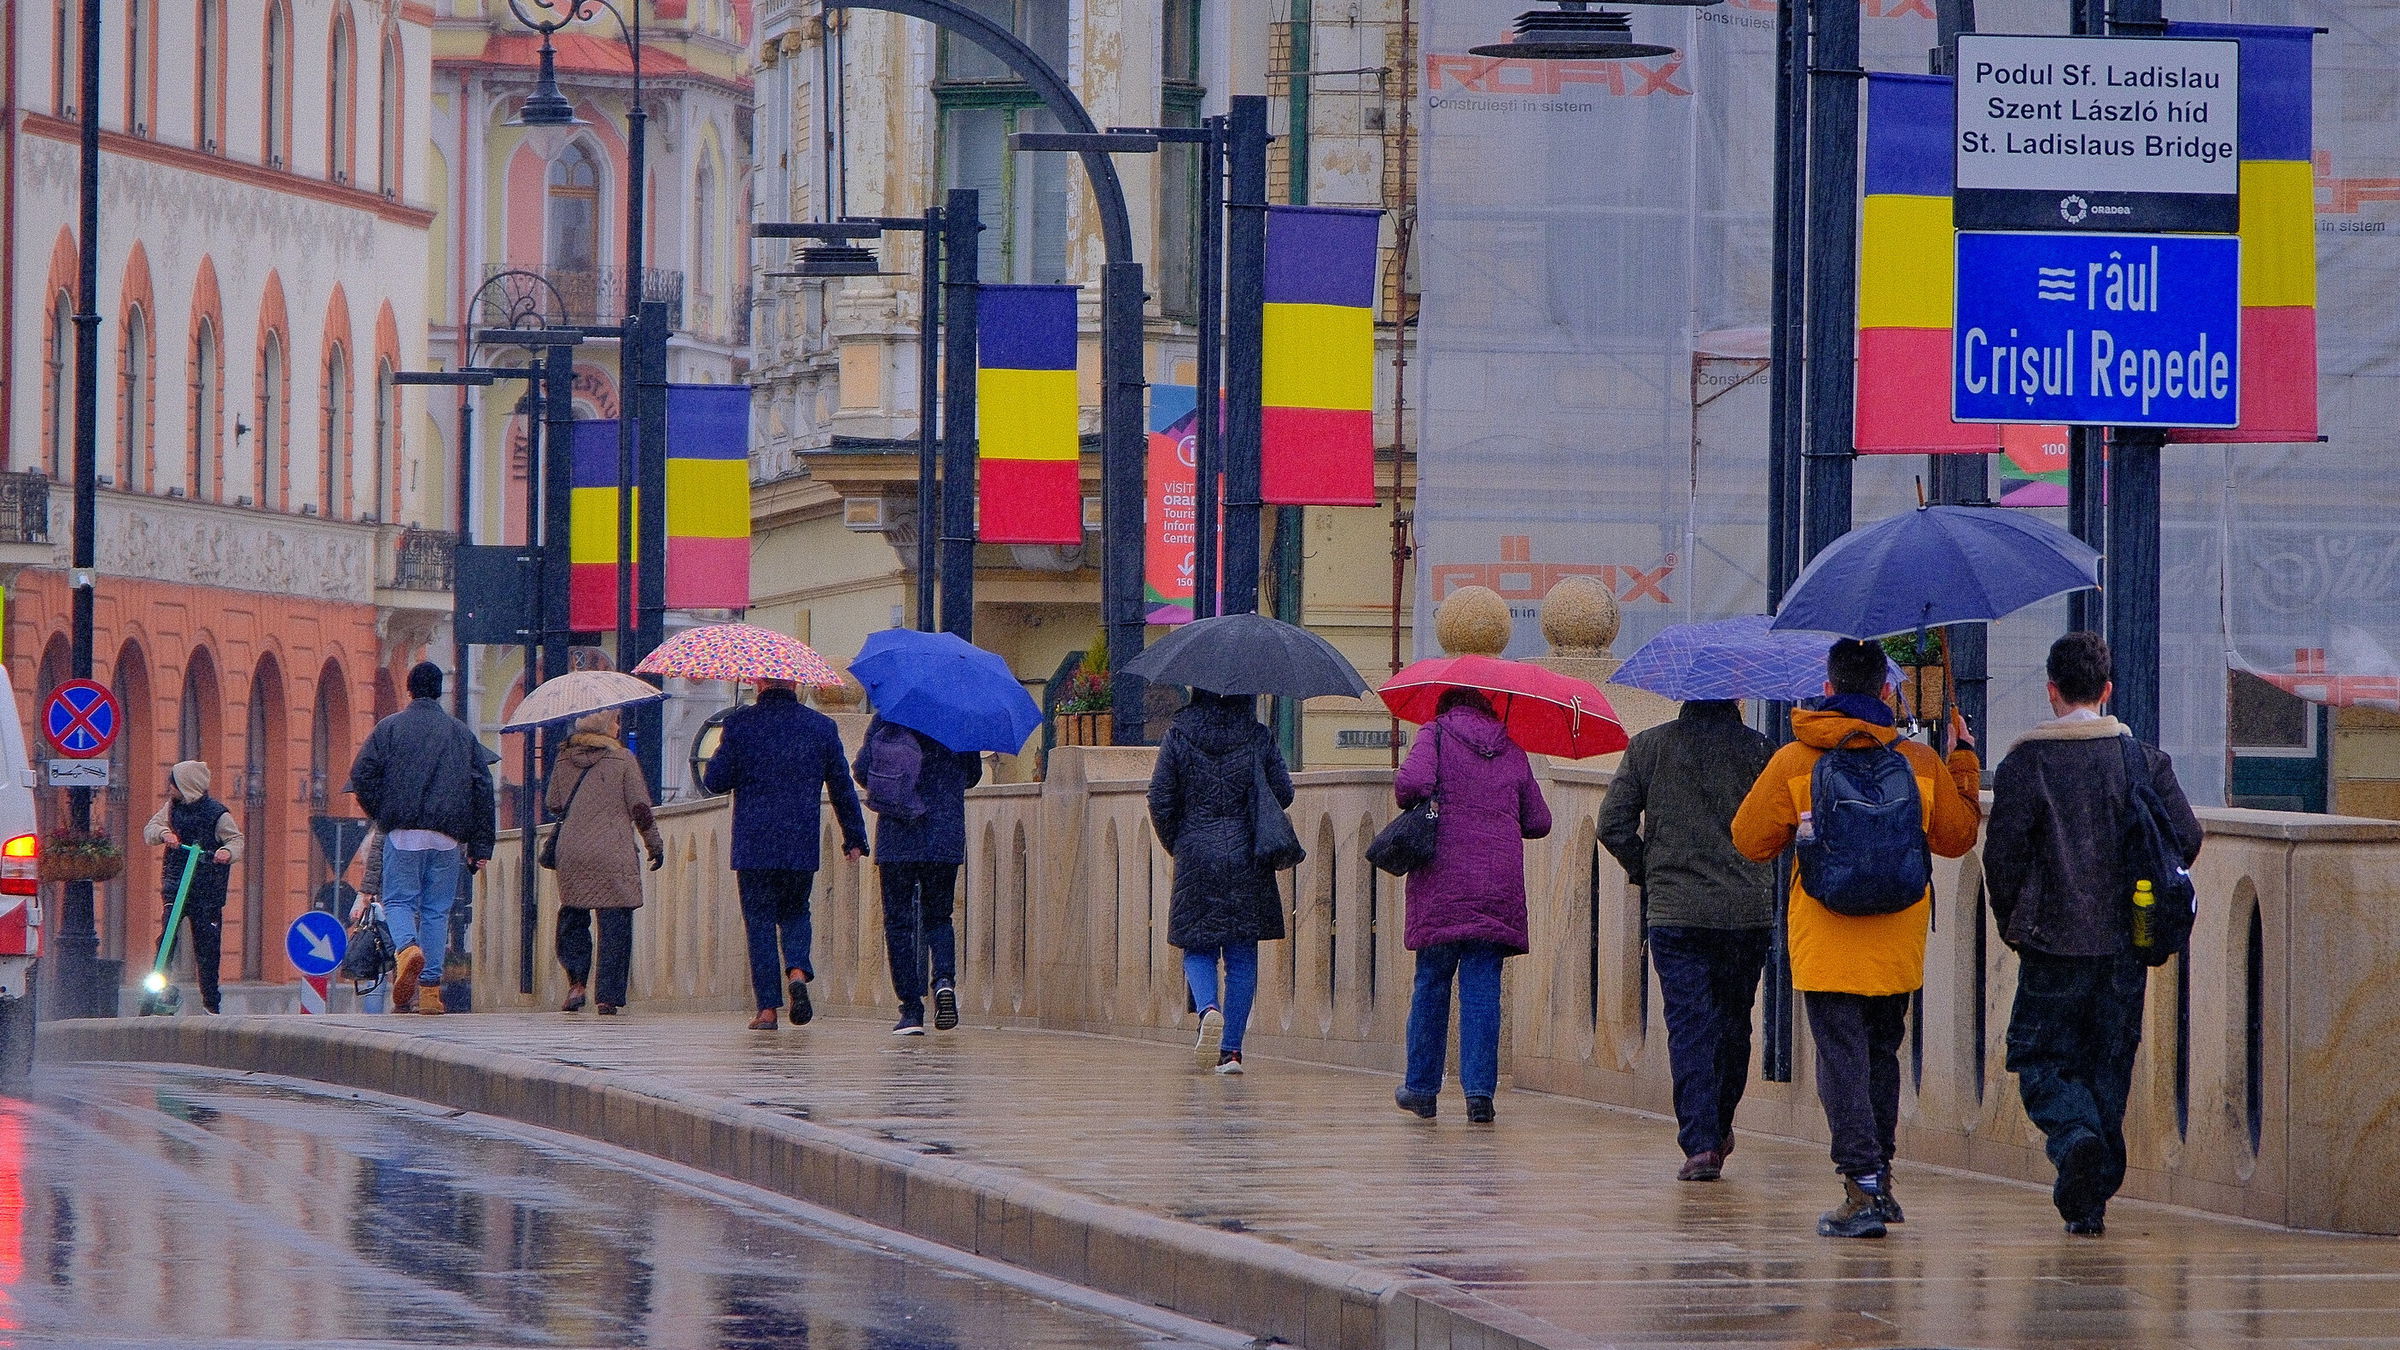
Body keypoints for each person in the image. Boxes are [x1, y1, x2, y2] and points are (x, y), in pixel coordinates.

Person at [1733, 639, 1981, 1238]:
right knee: (1881, 1057)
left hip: (1824, 936)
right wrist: (1964, 759)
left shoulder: (1795, 759)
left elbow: (1747, 839)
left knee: (1841, 1062)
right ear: (1886, 692)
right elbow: (1957, 837)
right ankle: (1883, 1180)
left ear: (1826, 690)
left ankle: (1860, 1188)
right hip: (1897, 939)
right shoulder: (1919, 762)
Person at [1984, 632, 2201, 1237]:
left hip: (2051, 946)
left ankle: (2075, 1139)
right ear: (2106, 691)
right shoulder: (2143, 760)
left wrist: (2016, 925)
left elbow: (2001, 860)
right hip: (2123, 948)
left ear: (2052, 690)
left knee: (2039, 1059)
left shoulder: (2026, 763)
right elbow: (2184, 838)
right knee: (2108, 1065)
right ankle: (2089, 1203)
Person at [1597, 699, 1776, 1180]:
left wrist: (1646, 870)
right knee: (1735, 1021)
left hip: (1675, 912)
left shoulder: (1649, 747)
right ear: (1736, 699)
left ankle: (1700, 1144)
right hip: (1745, 911)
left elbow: (1611, 823)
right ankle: (1718, 1127)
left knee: (1689, 1023)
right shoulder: (1761, 750)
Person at [1392, 688, 1551, 1123]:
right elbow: (1539, 820)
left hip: (1442, 879)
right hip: (1496, 886)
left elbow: (1410, 785)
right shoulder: (1511, 748)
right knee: (1483, 988)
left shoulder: (1435, 734)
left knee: (1432, 982)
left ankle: (1422, 1089)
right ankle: (1480, 1095)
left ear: (1446, 706)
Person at [703, 678, 869, 1031]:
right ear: (795, 683)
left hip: (754, 842)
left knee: (759, 921)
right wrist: (854, 836)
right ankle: (796, 969)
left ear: (758, 682)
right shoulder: (820, 726)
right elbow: (841, 786)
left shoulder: (740, 724)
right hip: (799, 838)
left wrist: (726, 745)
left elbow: (715, 781)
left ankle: (767, 1010)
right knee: (796, 910)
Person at [1147, 689, 1294, 1075]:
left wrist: (1178, 842)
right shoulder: (1258, 735)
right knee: (1242, 955)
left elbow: (1160, 797)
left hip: (1195, 848)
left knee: (1197, 945)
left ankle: (1208, 1007)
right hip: (1248, 853)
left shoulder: (1178, 734)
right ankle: (1231, 1051)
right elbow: (1284, 792)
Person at [345, 662, 498, 1016]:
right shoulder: (461, 734)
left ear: (409, 690)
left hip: (403, 833)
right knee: (436, 911)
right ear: (439, 691)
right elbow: (482, 787)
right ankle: (430, 993)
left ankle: (407, 949)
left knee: (399, 903)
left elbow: (361, 773)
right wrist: (480, 846)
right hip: (447, 838)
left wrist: (383, 811)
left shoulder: (390, 728)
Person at [853, 716, 984, 1035]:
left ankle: (911, 1010)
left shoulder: (890, 713)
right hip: (943, 833)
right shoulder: (958, 719)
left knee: (898, 922)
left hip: (899, 833)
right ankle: (943, 982)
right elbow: (972, 776)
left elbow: (861, 769)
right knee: (939, 917)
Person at [548, 709, 665, 1016]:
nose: (618, 726)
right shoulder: (623, 759)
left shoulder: (563, 758)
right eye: (615, 721)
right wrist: (654, 844)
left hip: (572, 850)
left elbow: (554, 803)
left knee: (574, 914)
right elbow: (639, 806)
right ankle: (607, 997)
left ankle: (577, 983)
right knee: (615, 924)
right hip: (613, 850)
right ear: (604, 726)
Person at [140, 761, 242, 1014]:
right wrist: (165, 834)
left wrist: (226, 853)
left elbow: (236, 839)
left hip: (207, 889)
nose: (169, 789)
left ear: (186, 786)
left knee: (207, 946)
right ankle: (156, 992)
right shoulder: (171, 809)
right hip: (176, 883)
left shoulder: (218, 814)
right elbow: (151, 829)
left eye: (173, 784)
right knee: (167, 937)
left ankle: (211, 1002)